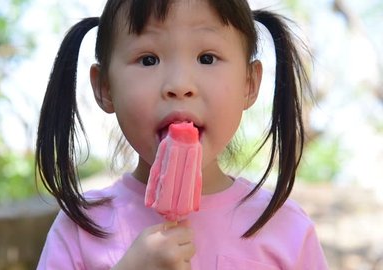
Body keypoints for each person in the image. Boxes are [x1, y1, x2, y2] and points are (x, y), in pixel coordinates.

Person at [35, 0, 328, 269]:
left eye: (207, 58)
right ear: (105, 88)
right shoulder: (80, 229)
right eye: (148, 59)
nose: (179, 84)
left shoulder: (286, 229)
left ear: (249, 84)